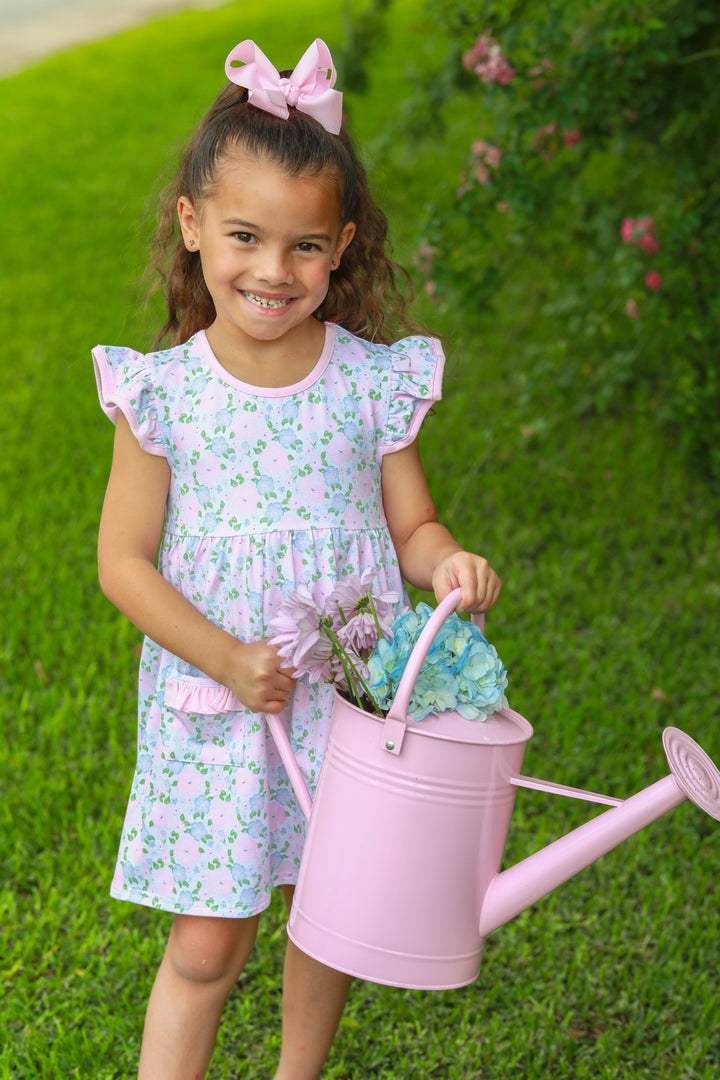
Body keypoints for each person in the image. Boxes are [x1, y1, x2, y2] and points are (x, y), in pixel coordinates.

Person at [93, 36, 502, 1080]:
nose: (274, 272)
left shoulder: (371, 383)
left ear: (342, 245)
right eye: (243, 236)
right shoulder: (162, 396)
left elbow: (414, 527)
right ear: (191, 228)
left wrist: (448, 561)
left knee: (331, 914)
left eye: (306, 247)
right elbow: (125, 564)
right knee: (207, 942)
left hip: (348, 701)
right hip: (221, 700)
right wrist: (227, 657)